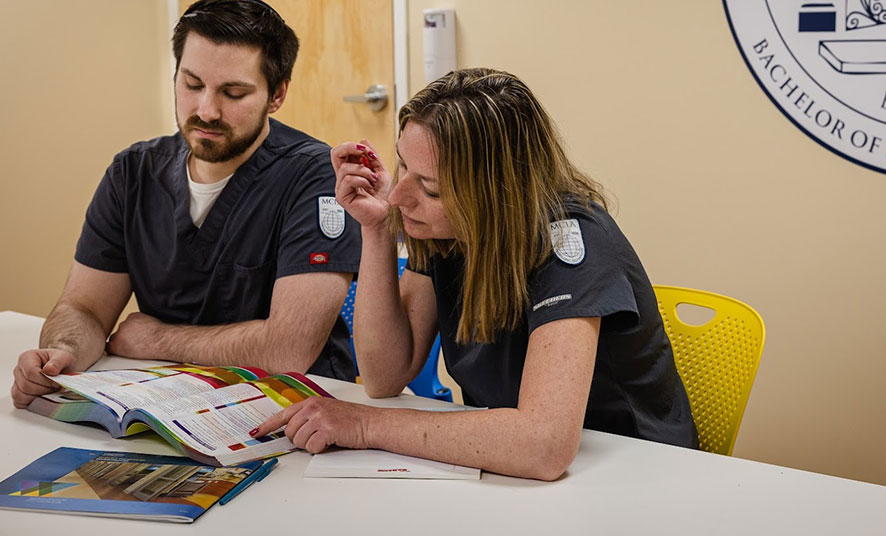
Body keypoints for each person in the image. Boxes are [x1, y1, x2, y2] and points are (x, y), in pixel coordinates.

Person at [253, 68, 697, 481]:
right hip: (507, 468)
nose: (399, 196)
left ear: (495, 193)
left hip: (630, 474)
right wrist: (375, 231)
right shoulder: (448, 228)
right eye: (403, 165)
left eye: (430, 188)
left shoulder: (571, 245)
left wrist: (364, 426)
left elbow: (543, 445)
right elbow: (385, 375)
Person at [11, 0, 361, 409]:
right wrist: (62, 353)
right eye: (192, 85)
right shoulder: (133, 173)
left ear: (277, 94)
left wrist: (156, 339)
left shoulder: (316, 176)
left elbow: (287, 351)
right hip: (166, 405)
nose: (206, 111)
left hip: (294, 413)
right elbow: (85, 307)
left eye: (233, 93)